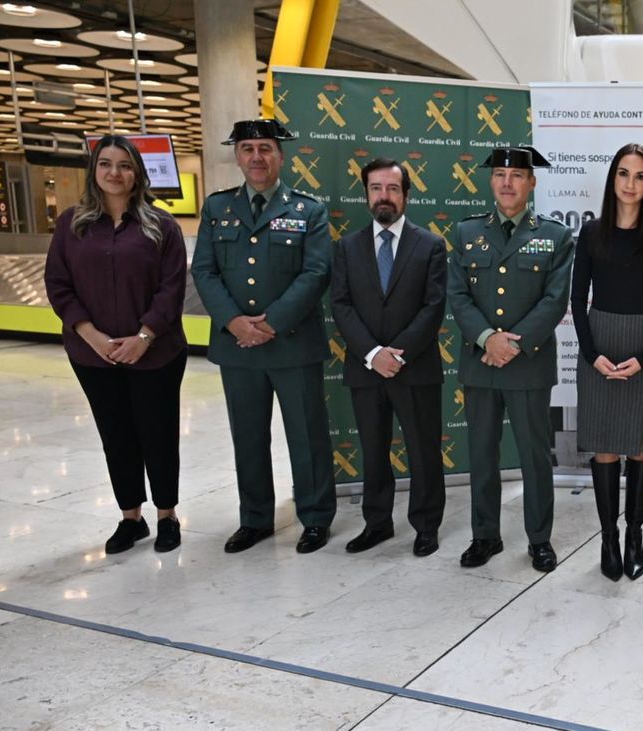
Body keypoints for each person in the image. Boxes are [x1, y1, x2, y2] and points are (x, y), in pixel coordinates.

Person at [191, 119, 336, 555]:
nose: (257, 156)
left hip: (292, 343)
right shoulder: (218, 208)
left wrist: (271, 323)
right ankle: (255, 519)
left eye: (266, 148)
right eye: (248, 148)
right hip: (237, 347)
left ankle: (314, 519)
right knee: (248, 437)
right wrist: (235, 322)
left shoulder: (308, 209)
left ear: (281, 155)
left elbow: (316, 272)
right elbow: (204, 270)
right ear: (237, 156)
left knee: (307, 437)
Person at [44, 135, 188, 554]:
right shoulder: (72, 224)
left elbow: (171, 289)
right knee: (116, 434)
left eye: (124, 165)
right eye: (105, 164)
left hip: (156, 353)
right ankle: (131, 517)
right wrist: (92, 337)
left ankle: (166, 515)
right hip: (93, 356)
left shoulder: (162, 226)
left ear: (137, 173)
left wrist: (144, 337)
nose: (114, 173)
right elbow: (59, 285)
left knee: (158, 433)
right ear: (94, 171)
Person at [447, 146, 575, 573]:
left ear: (532, 182)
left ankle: (539, 539)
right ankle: (485, 536)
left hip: (528, 363)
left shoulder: (555, 235)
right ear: (491, 181)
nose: (507, 183)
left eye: (516, 176)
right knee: (481, 454)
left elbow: (555, 301)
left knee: (534, 456)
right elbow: (458, 295)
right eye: (500, 174)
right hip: (481, 362)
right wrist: (488, 339)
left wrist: (512, 344)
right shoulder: (466, 233)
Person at [572, 144, 643, 581]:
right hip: (598, 343)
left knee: (639, 446)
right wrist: (591, 354)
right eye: (623, 174)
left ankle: (634, 533)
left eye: (639, 176)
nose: (630, 184)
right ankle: (608, 537)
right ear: (612, 180)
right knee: (604, 446)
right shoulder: (591, 233)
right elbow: (578, 302)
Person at [331, 158, 448, 557]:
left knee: (423, 450)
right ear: (366, 194)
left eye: (393, 189)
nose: (384, 196)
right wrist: (373, 354)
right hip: (366, 370)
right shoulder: (346, 247)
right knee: (373, 451)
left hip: (415, 369)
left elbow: (433, 307)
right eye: (376, 188)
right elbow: (342, 306)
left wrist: (396, 354)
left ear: (406, 195)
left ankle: (426, 526)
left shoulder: (430, 244)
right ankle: (377, 523)